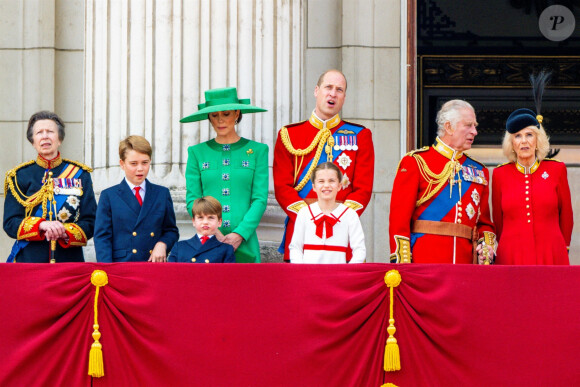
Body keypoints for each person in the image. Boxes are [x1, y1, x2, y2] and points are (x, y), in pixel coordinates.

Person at [273, 69, 374, 262]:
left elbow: (363, 189)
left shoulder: (360, 135)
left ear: (344, 97)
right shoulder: (289, 135)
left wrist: (341, 218)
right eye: (328, 87)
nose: (333, 94)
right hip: (300, 227)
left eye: (339, 90)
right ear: (316, 91)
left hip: (343, 230)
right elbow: (282, 187)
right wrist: (307, 218)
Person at [389, 100, 496, 264]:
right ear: (449, 127)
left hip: (465, 264)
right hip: (425, 262)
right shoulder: (416, 162)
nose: (474, 131)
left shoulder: (479, 170)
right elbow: (399, 220)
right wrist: (403, 264)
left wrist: (486, 249)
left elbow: (484, 224)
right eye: (468, 125)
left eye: (475, 126)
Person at [180, 87, 268, 263]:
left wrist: (240, 233)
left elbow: (259, 199)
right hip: (208, 240)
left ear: (237, 113)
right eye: (214, 115)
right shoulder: (197, 153)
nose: (220, 120)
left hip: (246, 242)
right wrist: (215, 232)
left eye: (226, 114)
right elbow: (193, 199)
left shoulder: (258, 151)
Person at [3, 111, 97, 263]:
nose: (45, 136)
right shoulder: (19, 175)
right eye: (39, 132)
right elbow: (10, 223)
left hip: (68, 260)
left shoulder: (80, 175)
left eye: (50, 132)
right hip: (30, 260)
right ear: (32, 141)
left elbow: (92, 222)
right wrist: (42, 225)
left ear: (59, 139)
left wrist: (65, 231)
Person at [492, 109, 573, 265]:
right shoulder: (499, 174)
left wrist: (563, 248)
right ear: (511, 143)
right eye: (517, 136)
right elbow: (498, 222)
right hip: (511, 255)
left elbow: (567, 216)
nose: (524, 141)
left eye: (529, 135)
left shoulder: (557, 170)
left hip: (551, 252)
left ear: (538, 140)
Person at [94, 135, 179, 262]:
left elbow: (171, 231)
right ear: (122, 164)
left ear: (150, 161)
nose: (140, 168)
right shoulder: (109, 196)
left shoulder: (162, 194)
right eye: (133, 163)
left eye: (145, 162)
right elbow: (102, 238)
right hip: (122, 265)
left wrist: (162, 244)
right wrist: (106, 270)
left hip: (153, 264)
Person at [289, 162, 365, 264]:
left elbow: (360, 249)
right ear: (314, 186)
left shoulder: (350, 215)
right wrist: (301, 271)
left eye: (331, 181)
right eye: (321, 181)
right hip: (309, 275)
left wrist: (348, 273)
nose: (326, 185)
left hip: (339, 275)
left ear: (339, 186)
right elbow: (295, 247)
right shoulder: (304, 213)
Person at [168, 196, 236, 263]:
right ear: (194, 221)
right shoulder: (179, 247)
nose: (205, 222)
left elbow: (228, 273)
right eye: (200, 217)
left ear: (219, 222)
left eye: (211, 218)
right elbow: (171, 272)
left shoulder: (226, 250)